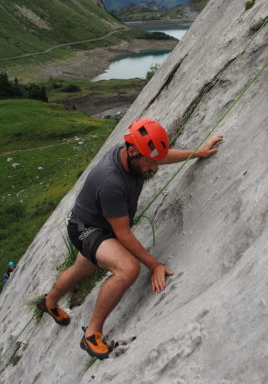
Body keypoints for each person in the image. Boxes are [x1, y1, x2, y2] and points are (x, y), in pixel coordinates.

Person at [37, 118, 223, 359]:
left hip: (94, 223)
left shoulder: (133, 156)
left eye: (154, 161)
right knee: (127, 269)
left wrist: (198, 152)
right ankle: (91, 335)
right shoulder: (111, 181)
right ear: (133, 151)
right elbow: (123, 233)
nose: (154, 168)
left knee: (82, 270)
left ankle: (49, 303)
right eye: (149, 162)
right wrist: (154, 265)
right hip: (88, 229)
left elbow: (160, 157)